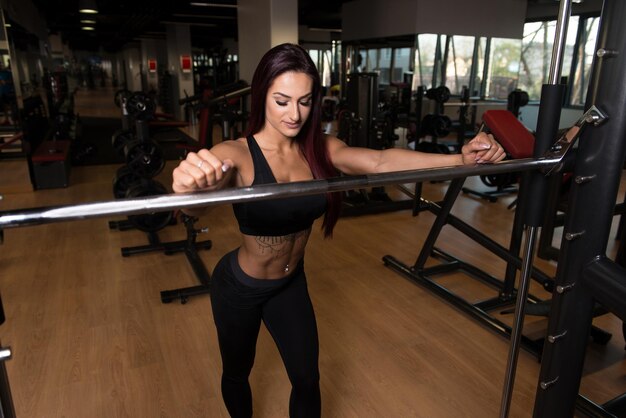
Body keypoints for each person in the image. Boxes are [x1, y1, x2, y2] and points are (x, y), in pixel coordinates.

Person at [172, 43, 505, 418]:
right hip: (239, 288)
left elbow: (379, 161)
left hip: (289, 282)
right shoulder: (236, 153)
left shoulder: (320, 149)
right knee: (237, 373)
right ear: (262, 95)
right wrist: (187, 191)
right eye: (282, 101)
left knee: (307, 379)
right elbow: (200, 199)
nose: (295, 114)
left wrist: (460, 158)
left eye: (305, 101)